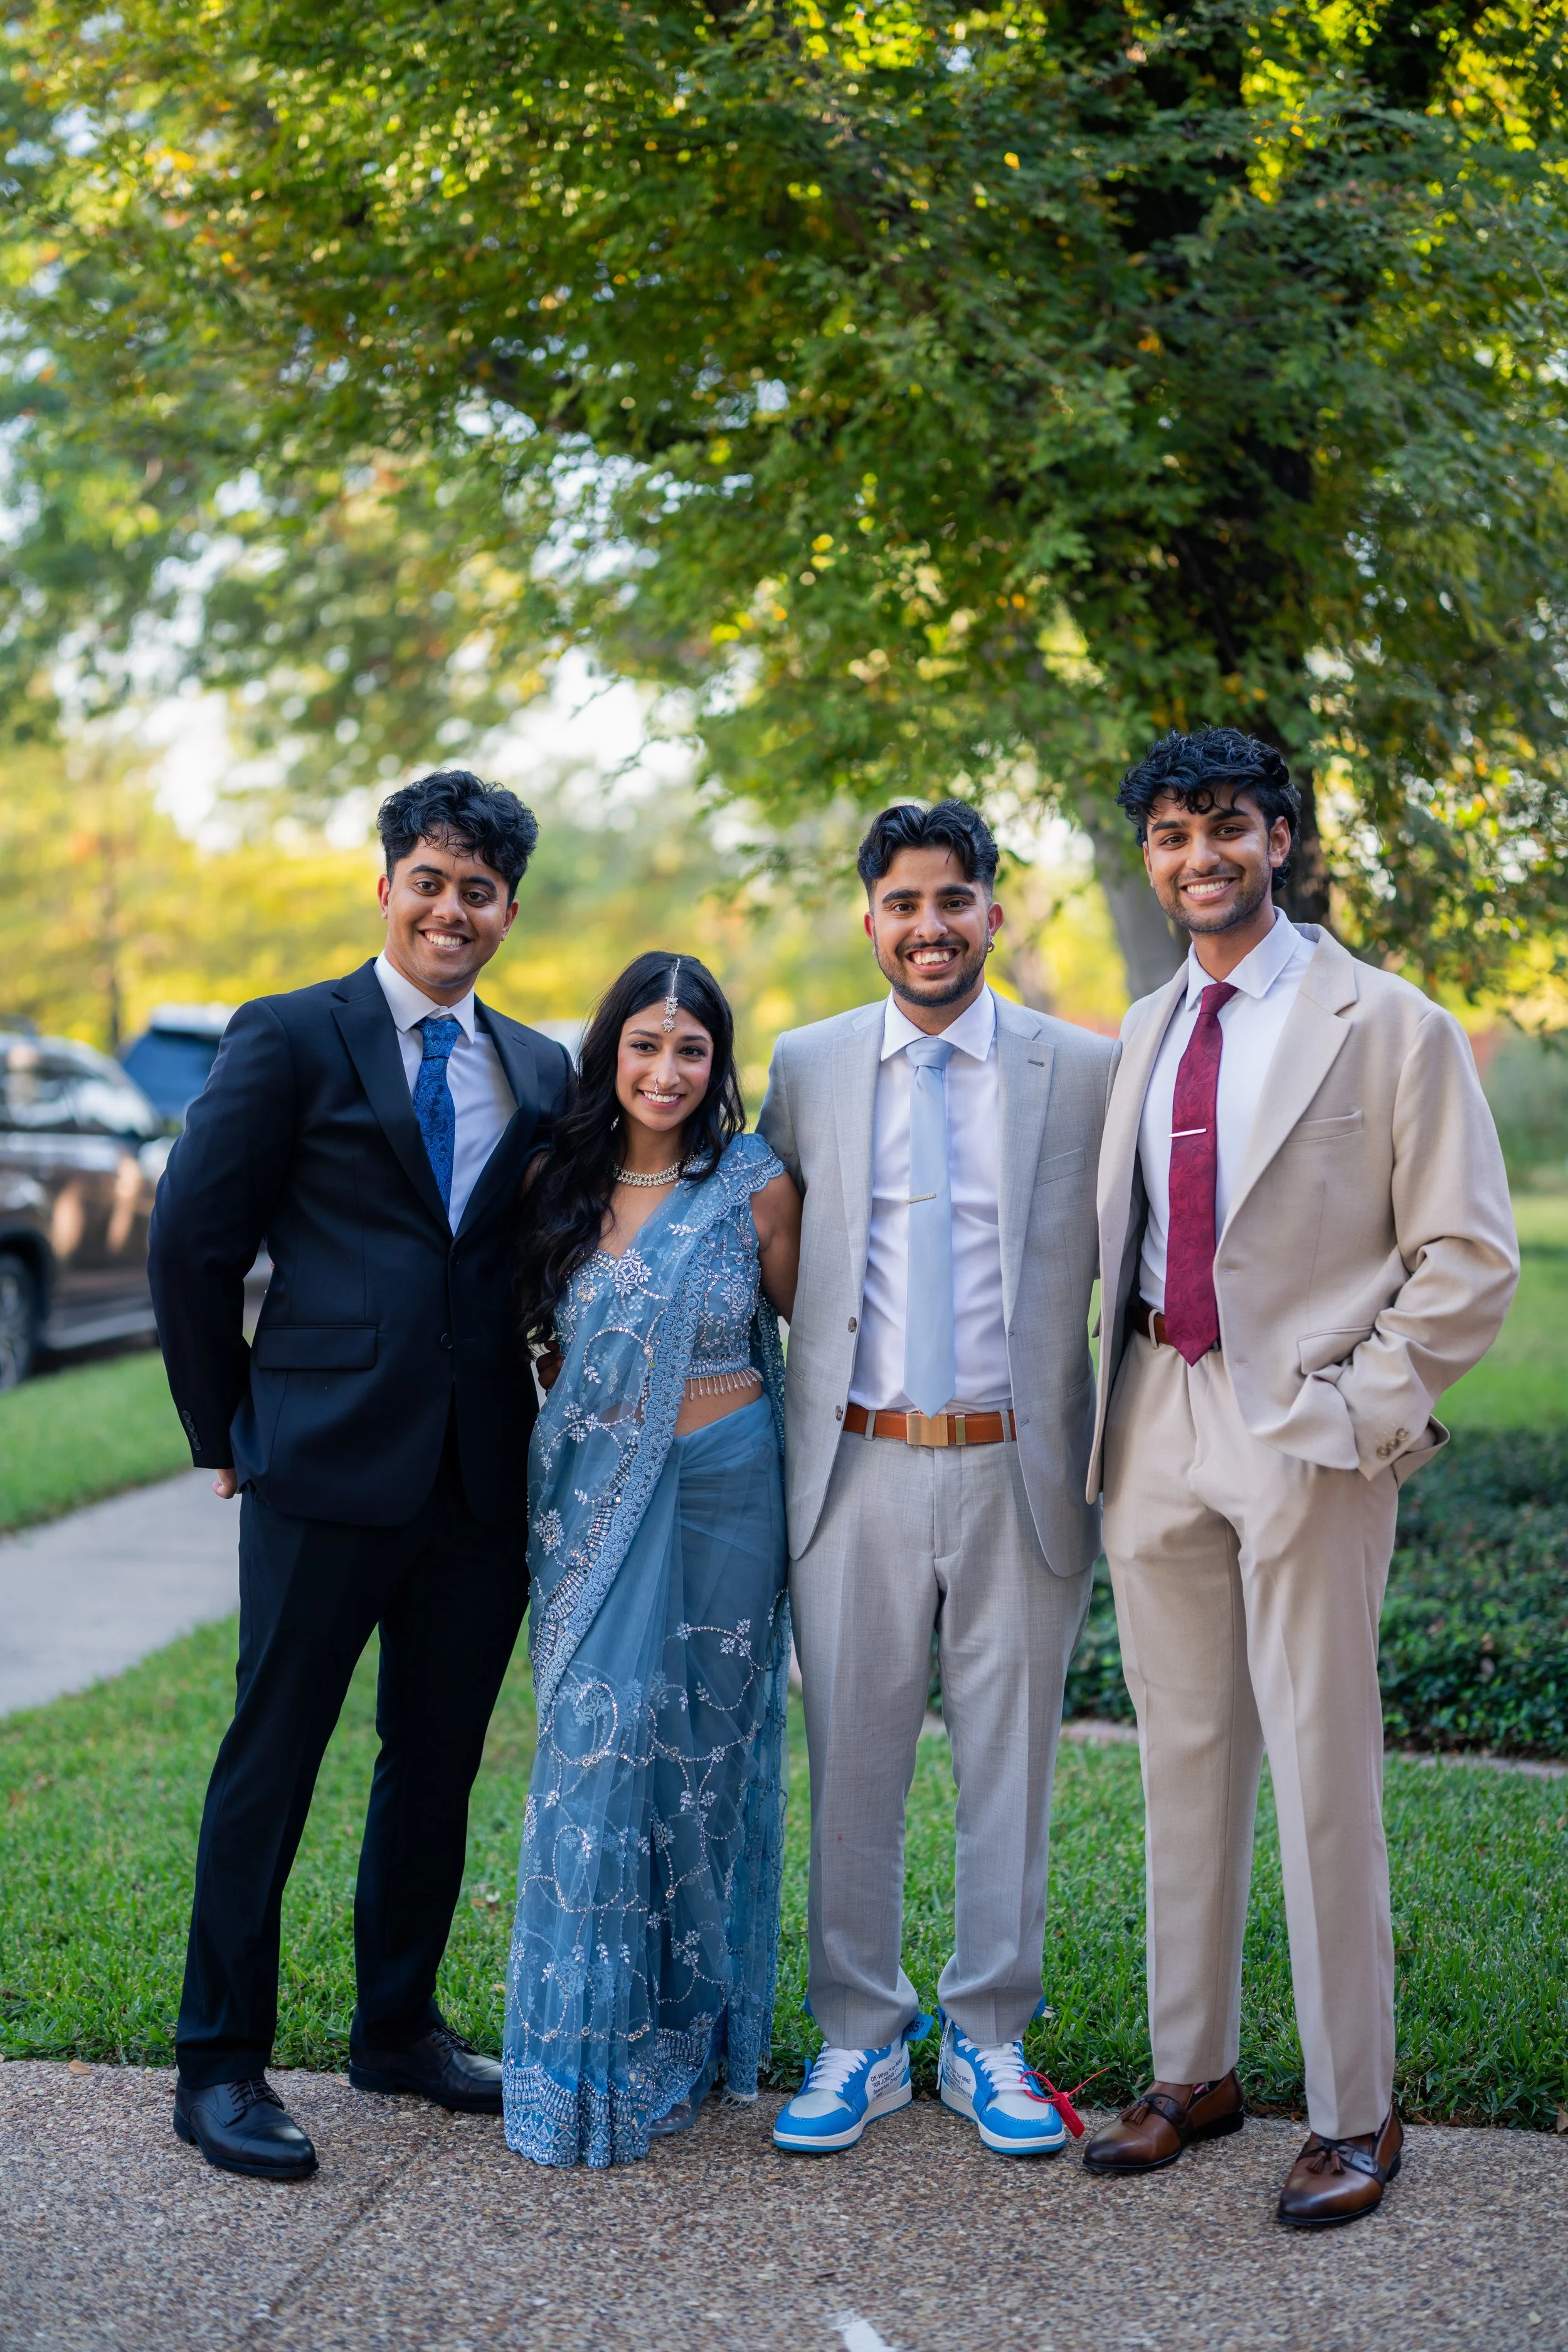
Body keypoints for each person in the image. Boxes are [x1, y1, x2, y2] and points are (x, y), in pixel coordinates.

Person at [1084, 728, 1518, 2225]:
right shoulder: (1143, 1028)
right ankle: (1189, 2073)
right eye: (1165, 836)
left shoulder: (1384, 1022)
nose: (1192, 857)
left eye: (1220, 828)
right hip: (1153, 1412)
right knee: (1179, 1759)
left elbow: (1466, 1257)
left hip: (1307, 1432)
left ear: (1276, 837)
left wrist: (1356, 1412)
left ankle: (1353, 2112)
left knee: (1323, 1771)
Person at [150, 768, 572, 2182]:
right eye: (431, 882)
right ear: (384, 884)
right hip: (320, 1463)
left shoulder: (542, 1066)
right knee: (270, 1758)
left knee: (433, 1765)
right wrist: (224, 1434)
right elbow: (191, 1246)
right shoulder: (290, 1035)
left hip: (476, 1477)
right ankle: (218, 2065)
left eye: (481, 891)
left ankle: (395, 2027)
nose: (454, 909)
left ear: (508, 911)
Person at [759, 800, 1118, 2157]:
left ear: (991, 911)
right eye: (902, 904)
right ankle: (855, 2037)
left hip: (1018, 1471)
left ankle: (988, 2038)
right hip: (849, 1466)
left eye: (952, 900)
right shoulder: (804, 1065)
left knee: (1008, 1766)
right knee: (849, 1761)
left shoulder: (1080, 1069)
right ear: (869, 919)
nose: (928, 927)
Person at [503, 951, 802, 2168]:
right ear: (608, 1052)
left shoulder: (756, 1188)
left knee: (698, 1772)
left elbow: (807, 1338)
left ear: (716, 1065)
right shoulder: (554, 1179)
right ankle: (577, 2058)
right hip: (594, 1512)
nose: (666, 1071)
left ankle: (685, 2035)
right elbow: (536, 1350)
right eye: (644, 1045)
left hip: (733, 1492)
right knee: (597, 1752)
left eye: (690, 1050)